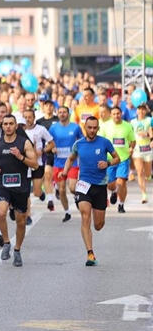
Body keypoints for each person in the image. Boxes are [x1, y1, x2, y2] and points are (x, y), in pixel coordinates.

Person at [60, 117, 120, 266]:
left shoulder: (104, 142)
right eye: (89, 127)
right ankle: (90, 254)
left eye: (95, 128)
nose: (92, 130)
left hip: (100, 186)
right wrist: (65, 171)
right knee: (85, 216)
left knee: (98, 225)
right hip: (84, 184)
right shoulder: (78, 144)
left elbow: (117, 158)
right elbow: (71, 158)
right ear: (85, 127)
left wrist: (108, 163)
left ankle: (98, 211)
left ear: (98, 128)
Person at [0, 115, 39, 267]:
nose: (8, 126)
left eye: (11, 124)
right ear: (2, 126)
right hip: (2, 184)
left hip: (20, 186)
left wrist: (20, 157)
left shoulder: (24, 143)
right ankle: (7, 242)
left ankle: (17, 250)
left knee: (20, 222)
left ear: (16, 126)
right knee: (1, 213)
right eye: (5, 124)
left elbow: (35, 164)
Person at [50, 106, 84, 223]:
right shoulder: (53, 128)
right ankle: (67, 212)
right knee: (62, 190)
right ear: (57, 114)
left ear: (68, 114)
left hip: (72, 162)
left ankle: (76, 196)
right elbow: (49, 142)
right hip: (58, 162)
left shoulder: (75, 127)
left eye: (64, 112)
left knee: (73, 187)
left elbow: (82, 140)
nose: (62, 114)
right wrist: (52, 148)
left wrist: (80, 151)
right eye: (60, 112)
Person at [102, 106, 135, 213]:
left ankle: (121, 204)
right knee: (110, 184)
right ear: (111, 115)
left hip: (123, 158)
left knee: (121, 181)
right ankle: (114, 191)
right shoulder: (105, 126)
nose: (116, 116)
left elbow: (133, 140)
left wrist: (131, 147)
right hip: (109, 159)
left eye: (118, 113)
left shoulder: (127, 126)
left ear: (121, 114)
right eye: (114, 114)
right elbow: (100, 141)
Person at [130, 105, 152, 203]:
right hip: (137, 149)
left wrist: (147, 135)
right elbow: (130, 134)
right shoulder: (132, 122)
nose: (141, 111)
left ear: (145, 110)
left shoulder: (149, 120)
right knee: (139, 172)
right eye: (139, 109)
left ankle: (149, 176)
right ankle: (144, 195)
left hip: (147, 149)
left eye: (143, 109)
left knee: (147, 173)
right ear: (137, 111)